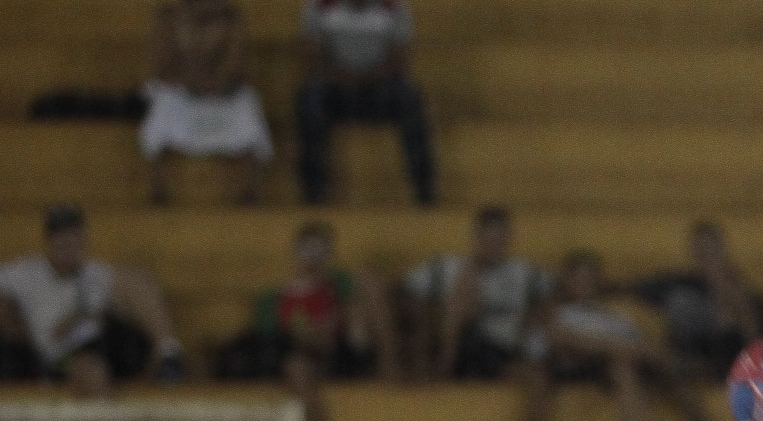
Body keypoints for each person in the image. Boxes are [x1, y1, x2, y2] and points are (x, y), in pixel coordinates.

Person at [0, 206, 188, 421]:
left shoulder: (96, 273)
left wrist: (99, 312)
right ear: (49, 244)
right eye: (61, 246)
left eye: (75, 244)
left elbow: (129, 299)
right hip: (66, 353)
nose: (69, 253)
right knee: (88, 368)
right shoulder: (26, 273)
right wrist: (15, 323)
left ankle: (168, 352)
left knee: (133, 276)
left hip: (108, 337)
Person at [536, 251, 732, 421]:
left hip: (635, 358)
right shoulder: (559, 312)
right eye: (577, 277)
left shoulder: (612, 312)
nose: (583, 283)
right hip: (589, 363)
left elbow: (636, 337)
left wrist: (639, 351)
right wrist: (628, 349)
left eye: (589, 277)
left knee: (673, 380)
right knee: (625, 366)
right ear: (566, 281)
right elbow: (566, 340)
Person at [243, 221, 390, 421]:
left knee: (365, 296)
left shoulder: (342, 283)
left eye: (320, 250)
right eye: (307, 250)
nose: (313, 258)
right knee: (296, 367)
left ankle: (391, 364)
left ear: (330, 253)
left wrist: (341, 317)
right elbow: (280, 340)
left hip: (349, 351)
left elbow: (367, 300)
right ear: (295, 253)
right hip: (310, 358)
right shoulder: (277, 298)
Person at [297, 0, 435, 208]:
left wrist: (364, 78)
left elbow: (399, 61)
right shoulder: (320, 6)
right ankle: (314, 193)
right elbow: (314, 60)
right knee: (310, 97)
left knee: (408, 95)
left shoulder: (393, 7)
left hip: (378, 91)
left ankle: (425, 191)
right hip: (337, 91)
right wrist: (346, 78)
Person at [143, 0, 273, 206]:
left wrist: (216, 83)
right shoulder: (168, 17)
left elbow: (239, 64)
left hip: (222, 92)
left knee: (249, 102)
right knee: (162, 102)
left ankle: (251, 187)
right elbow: (161, 66)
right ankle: (158, 186)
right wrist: (191, 80)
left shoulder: (231, 18)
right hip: (183, 92)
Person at [408, 206, 548, 386]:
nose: (494, 244)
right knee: (465, 286)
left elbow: (560, 293)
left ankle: (445, 367)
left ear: (508, 239)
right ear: (477, 237)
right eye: (489, 237)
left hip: (503, 349)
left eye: (500, 237)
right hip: (460, 343)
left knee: (538, 379)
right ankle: (444, 363)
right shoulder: (447, 267)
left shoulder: (525, 273)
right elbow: (405, 293)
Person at [635, 219, 763, 382]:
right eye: (701, 250)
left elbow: (749, 325)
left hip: (730, 346)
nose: (706, 256)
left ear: (721, 251)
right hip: (694, 346)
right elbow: (643, 291)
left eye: (710, 250)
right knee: (680, 301)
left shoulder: (734, 283)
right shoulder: (681, 281)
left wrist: (721, 285)